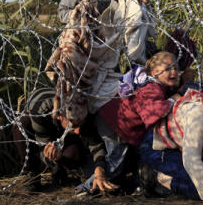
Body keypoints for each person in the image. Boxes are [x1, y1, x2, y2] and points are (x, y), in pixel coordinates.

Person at [75, 51, 192, 196]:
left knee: (140, 155)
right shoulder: (150, 87)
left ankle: (135, 186)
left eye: (175, 68)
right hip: (117, 125)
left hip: (115, 119)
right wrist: (173, 100)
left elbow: (162, 97)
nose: (174, 71)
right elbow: (154, 112)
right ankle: (85, 188)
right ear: (155, 72)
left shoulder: (153, 83)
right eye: (168, 68)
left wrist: (181, 87)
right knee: (114, 165)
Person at [16, 88, 118, 193]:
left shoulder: (82, 108)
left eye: (80, 124)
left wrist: (99, 168)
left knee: (73, 155)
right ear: (59, 116)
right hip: (42, 128)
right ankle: (31, 174)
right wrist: (54, 157)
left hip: (65, 133)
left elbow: (96, 145)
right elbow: (43, 149)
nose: (78, 131)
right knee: (21, 123)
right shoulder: (39, 110)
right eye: (74, 125)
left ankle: (62, 168)